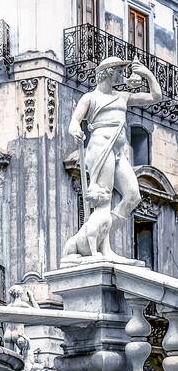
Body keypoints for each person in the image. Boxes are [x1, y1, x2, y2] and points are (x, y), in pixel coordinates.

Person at [66, 56, 162, 262]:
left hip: (119, 152)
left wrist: (146, 74)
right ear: (108, 72)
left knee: (133, 195)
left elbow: (156, 96)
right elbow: (74, 121)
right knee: (104, 200)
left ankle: (99, 237)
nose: (122, 75)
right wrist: (75, 129)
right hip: (101, 148)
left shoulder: (123, 96)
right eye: (119, 71)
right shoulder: (90, 98)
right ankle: (103, 248)